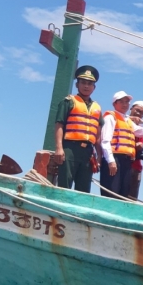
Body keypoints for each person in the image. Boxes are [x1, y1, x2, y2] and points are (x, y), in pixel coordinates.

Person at [99, 92, 143, 200]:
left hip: (127, 161)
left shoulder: (128, 121)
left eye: (127, 102)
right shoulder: (110, 118)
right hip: (114, 158)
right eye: (121, 101)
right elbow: (105, 141)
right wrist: (111, 161)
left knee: (123, 194)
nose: (125, 104)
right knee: (111, 192)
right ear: (114, 103)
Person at [54, 65, 102, 193]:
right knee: (64, 185)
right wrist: (59, 148)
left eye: (90, 83)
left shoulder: (97, 107)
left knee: (84, 189)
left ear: (94, 87)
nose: (86, 86)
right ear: (77, 85)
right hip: (70, 148)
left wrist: (99, 155)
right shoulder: (68, 101)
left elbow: (97, 134)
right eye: (83, 82)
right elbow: (59, 124)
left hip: (88, 152)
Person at [126, 100, 143, 200]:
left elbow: (140, 148)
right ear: (131, 108)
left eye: (142, 112)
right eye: (137, 110)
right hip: (122, 164)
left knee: (132, 198)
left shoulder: (141, 128)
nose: (138, 113)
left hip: (136, 167)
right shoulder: (121, 120)